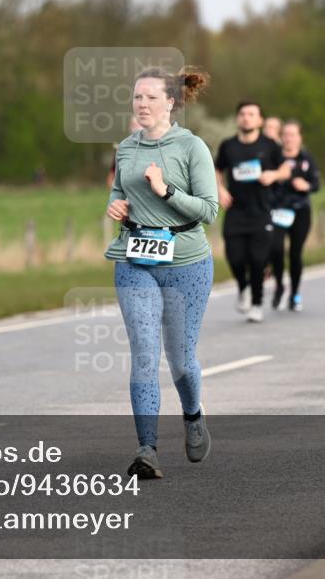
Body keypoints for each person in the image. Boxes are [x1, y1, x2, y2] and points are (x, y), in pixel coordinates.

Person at [105, 66, 218, 479]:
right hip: (135, 259)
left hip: (187, 263)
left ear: (170, 102)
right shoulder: (126, 148)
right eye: (137, 97)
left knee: (181, 360)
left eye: (151, 97)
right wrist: (116, 206)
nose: (143, 104)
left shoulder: (192, 147)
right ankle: (147, 450)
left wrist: (166, 191)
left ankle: (193, 415)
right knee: (144, 355)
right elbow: (119, 192)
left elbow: (209, 210)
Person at [214, 102, 291, 322]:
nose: (246, 118)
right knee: (235, 257)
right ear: (237, 118)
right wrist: (220, 189)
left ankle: (257, 303)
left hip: (261, 211)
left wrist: (273, 175)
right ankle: (243, 286)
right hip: (236, 211)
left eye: (251, 114)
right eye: (242, 114)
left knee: (258, 260)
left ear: (259, 120)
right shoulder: (228, 146)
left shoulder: (269, 145)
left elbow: (286, 169)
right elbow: (217, 169)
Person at [269, 119, 320, 311]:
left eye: (293, 135)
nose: (289, 138)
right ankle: (279, 285)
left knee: (295, 253)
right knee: (275, 249)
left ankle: (295, 293)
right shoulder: (275, 158)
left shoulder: (306, 158)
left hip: (300, 210)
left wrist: (306, 185)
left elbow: (316, 184)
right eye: (285, 134)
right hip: (278, 209)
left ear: (300, 138)